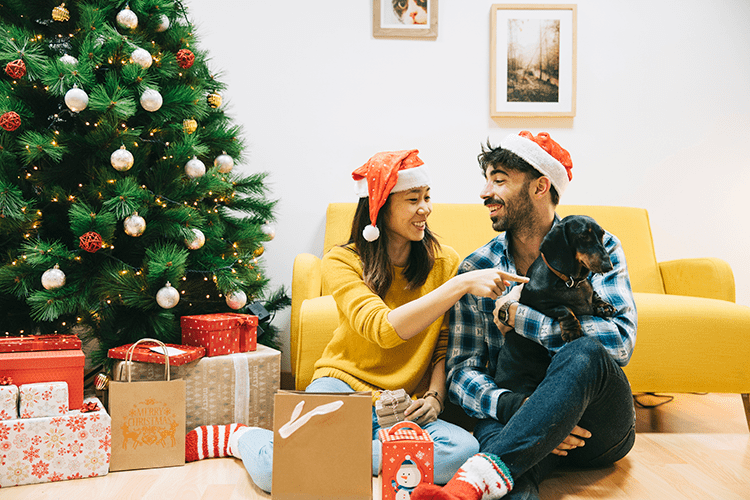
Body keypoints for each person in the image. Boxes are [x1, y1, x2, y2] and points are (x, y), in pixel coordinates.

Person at [183, 149, 528, 493]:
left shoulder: (442, 261)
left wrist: (436, 397)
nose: (426, 208)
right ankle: (244, 438)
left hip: (406, 402)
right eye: (413, 199)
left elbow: (443, 340)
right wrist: (461, 283)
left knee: (462, 450)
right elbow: (384, 329)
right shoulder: (342, 261)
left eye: (427, 197)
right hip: (342, 386)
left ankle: (324, 453)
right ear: (379, 208)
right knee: (277, 475)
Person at [412, 131, 638, 500]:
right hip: (513, 421)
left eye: (499, 180)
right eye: (486, 180)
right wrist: (518, 407)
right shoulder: (478, 267)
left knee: (584, 351)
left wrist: (519, 317)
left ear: (540, 187)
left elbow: (617, 345)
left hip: (595, 428)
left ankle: (476, 478)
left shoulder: (598, 246)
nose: (485, 193)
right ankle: (467, 489)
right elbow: (461, 371)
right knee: (514, 482)